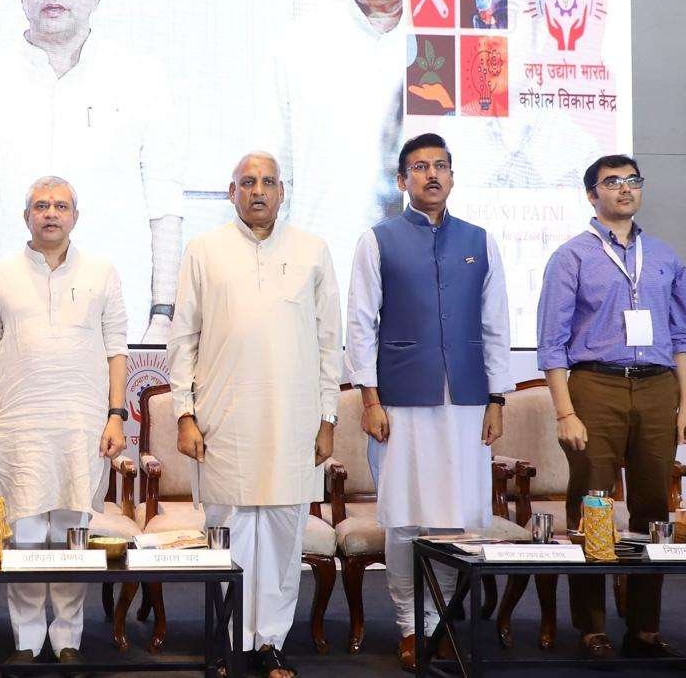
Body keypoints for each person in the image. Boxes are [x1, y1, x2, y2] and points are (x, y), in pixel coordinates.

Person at [0, 0, 182, 345]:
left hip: (112, 327)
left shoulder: (141, 80)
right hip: (2, 325)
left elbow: (165, 208)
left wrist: (162, 316)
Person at [167, 151, 340, 678]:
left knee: (284, 541)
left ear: (282, 192)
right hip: (225, 420)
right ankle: (228, 640)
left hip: (294, 421)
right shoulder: (204, 251)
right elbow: (183, 338)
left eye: (267, 182)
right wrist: (184, 414)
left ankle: (269, 644)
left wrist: (327, 418)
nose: (258, 190)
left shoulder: (312, 250)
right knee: (229, 535)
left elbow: (329, 342)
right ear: (231, 192)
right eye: (247, 182)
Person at [345, 132, 511, 672]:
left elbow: (495, 325)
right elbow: (360, 325)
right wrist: (369, 398)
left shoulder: (480, 241)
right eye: (420, 167)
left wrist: (496, 398)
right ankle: (411, 626)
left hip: (466, 400)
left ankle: (440, 622)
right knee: (405, 518)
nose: (432, 174)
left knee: (457, 518)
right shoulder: (378, 240)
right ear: (402, 180)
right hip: (401, 399)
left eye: (441, 165)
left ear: (453, 176)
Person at [0, 175, 127, 675]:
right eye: (41, 206)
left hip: (82, 427)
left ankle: (68, 639)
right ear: (26, 217)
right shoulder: (1, 274)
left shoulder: (102, 272)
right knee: (26, 534)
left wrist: (116, 415)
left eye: (60, 206)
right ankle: (27, 638)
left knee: (71, 534)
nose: (51, 213)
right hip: (19, 428)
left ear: (75, 216)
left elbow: (117, 349)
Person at [536, 154, 686, 661]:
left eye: (633, 180)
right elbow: (552, 343)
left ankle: (644, 628)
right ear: (591, 194)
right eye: (613, 182)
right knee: (593, 505)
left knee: (653, 507)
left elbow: (681, 336)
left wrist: (684, 403)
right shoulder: (572, 256)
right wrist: (565, 411)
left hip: (657, 386)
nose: (625, 189)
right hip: (595, 385)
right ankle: (591, 627)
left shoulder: (663, 255)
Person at [270, 0, 405, 306]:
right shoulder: (298, 45)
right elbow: (273, 176)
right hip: (321, 282)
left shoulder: (442, 45)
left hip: (422, 289)